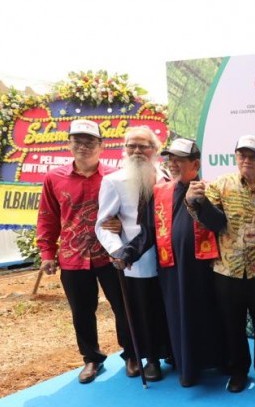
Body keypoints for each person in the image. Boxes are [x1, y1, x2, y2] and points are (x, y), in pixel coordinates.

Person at [112, 139, 222, 387]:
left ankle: (214, 363)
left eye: (179, 160)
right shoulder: (160, 191)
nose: (173, 164)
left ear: (195, 164)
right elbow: (147, 232)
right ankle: (187, 368)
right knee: (177, 316)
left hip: (202, 269)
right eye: (170, 159)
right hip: (171, 269)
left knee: (206, 315)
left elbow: (219, 224)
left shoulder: (209, 189)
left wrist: (199, 202)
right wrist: (128, 253)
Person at [36, 119, 131, 384]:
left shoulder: (116, 176)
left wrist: (122, 224)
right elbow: (47, 217)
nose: (83, 146)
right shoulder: (54, 178)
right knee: (81, 311)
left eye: (90, 141)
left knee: (123, 307)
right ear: (69, 144)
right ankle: (91, 358)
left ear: (101, 146)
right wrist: (46, 253)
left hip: (111, 254)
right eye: (77, 141)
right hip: (72, 258)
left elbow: (132, 213)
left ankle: (132, 354)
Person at [187, 135, 255, 393]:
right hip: (227, 270)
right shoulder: (219, 185)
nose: (247, 160)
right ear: (236, 157)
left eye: (253, 156)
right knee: (233, 323)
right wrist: (196, 200)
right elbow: (211, 222)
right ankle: (238, 371)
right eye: (242, 155)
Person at [96, 126, 171, 382]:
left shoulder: (166, 176)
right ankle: (150, 359)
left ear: (155, 150)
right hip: (136, 262)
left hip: (168, 259)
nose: (138, 151)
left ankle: (171, 351)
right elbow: (103, 224)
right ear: (125, 149)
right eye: (132, 146)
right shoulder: (114, 181)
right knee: (144, 311)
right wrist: (118, 252)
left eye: (144, 146)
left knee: (166, 308)